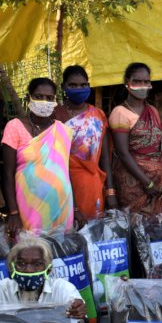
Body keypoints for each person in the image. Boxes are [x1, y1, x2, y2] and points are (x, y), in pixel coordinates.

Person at [2, 77, 74, 235]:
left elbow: (67, 171)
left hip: (61, 206)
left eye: (49, 98)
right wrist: (13, 213)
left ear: (55, 101)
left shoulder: (63, 130)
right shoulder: (15, 127)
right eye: (39, 96)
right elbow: (7, 174)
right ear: (28, 98)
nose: (44, 101)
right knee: (32, 253)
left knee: (61, 254)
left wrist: (76, 208)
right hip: (28, 207)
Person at [0, 236, 86, 322]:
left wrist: (79, 312)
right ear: (12, 267)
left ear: (49, 269)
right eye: (22, 264)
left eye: (37, 264)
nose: (29, 270)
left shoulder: (63, 288)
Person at [55, 65, 116, 222]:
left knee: (93, 233)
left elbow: (104, 158)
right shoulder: (55, 115)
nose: (78, 89)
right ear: (63, 87)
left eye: (83, 85)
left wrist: (110, 191)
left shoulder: (98, 115)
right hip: (64, 184)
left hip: (93, 184)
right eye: (72, 85)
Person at [110, 62, 162, 214]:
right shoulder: (120, 113)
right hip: (134, 183)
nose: (142, 85)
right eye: (137, 81)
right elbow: (122, 153)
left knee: (156, 230)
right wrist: (147, 183)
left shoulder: (153, 110)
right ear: (127, 83)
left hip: (157, 184)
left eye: (146, 81)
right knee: (136, 228)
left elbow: (160, 146)